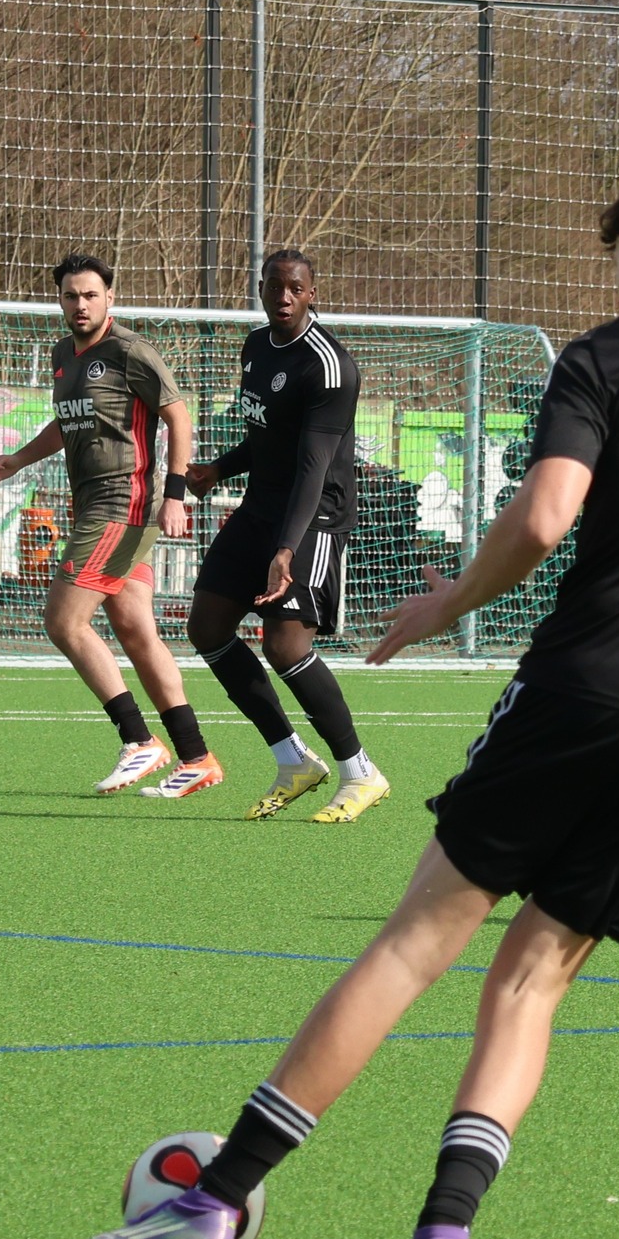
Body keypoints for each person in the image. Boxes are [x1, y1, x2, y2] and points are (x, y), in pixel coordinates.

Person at [74, 163, 619, 1239]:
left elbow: (544, 518)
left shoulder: (607, 357)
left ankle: (210, 1197)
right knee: (533, 983)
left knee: (414, 945)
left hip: (587, 688)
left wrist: (449, 602)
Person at [0, 253, 222, 798]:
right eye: (71, 295)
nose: (81, 304)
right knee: (136, 630)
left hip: (122, 504)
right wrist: (18, 459)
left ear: (109, 297)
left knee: (63, 623)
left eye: (91, 294)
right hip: (94, 503)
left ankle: (139, 741)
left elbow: (178, 416)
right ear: (60, 301)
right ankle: (196, 755)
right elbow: (69, 423)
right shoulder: (62, 354)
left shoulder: (130, 351)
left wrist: (176, 494)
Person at [183, 249, 387, 823]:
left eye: (295, 287)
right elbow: (267, 440)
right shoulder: (254, 347)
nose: (284, 296)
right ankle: (292, 759)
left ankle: (359, 771)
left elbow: (312, 465)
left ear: (312, 293)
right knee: (207, 625)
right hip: (259, 509)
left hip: (314, 516)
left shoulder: (330, 366)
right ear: (261, 287)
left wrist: (286, 549)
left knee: (286, 645)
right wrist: (219, 469)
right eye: (274, 285)